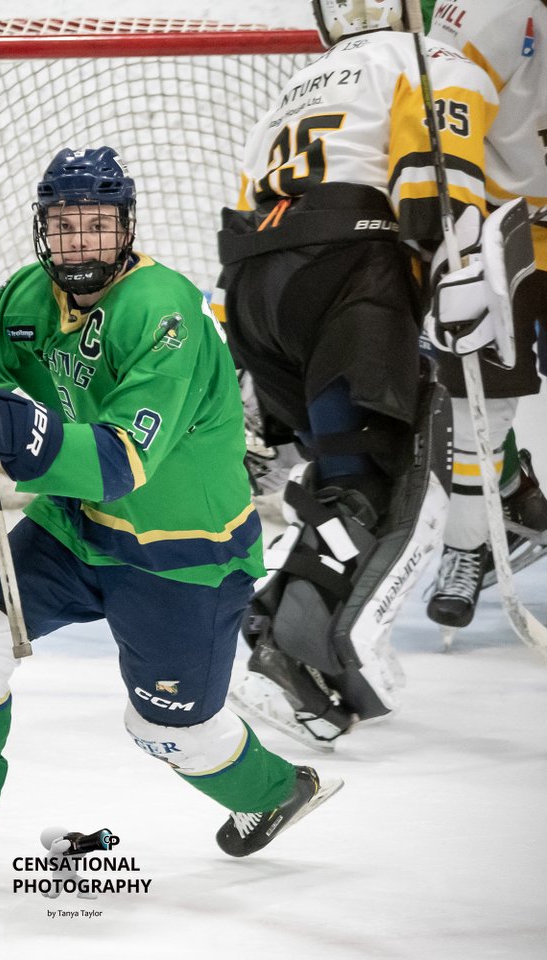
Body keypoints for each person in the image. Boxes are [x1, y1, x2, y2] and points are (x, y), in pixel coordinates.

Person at [0, 146, 342, 882]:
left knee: (165, 728)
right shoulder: (29, 299)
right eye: (64, 225)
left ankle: (279, 792)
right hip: (76, 528)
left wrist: (14, 432)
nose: (80, 241)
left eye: (98, 224)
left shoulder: (164, 313)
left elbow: (118, 463)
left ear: (126, 228)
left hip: (184, 553)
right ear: (42, 230)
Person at [212, 0, 496, 750]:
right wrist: (451, 273)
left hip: (255, 290)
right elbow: (434, 183)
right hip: (348, 273)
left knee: (347, 472)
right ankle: (286, 634)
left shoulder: (298, 83)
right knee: (374, 481)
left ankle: (301, 621)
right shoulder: (435, 62)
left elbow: (243, 206)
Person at [423, 0, 547, 629]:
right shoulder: (489, 13)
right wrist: (460, 236)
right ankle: (465, 549)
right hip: (508, 224)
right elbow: (444, 116)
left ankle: (516, 505)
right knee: (483, 402)